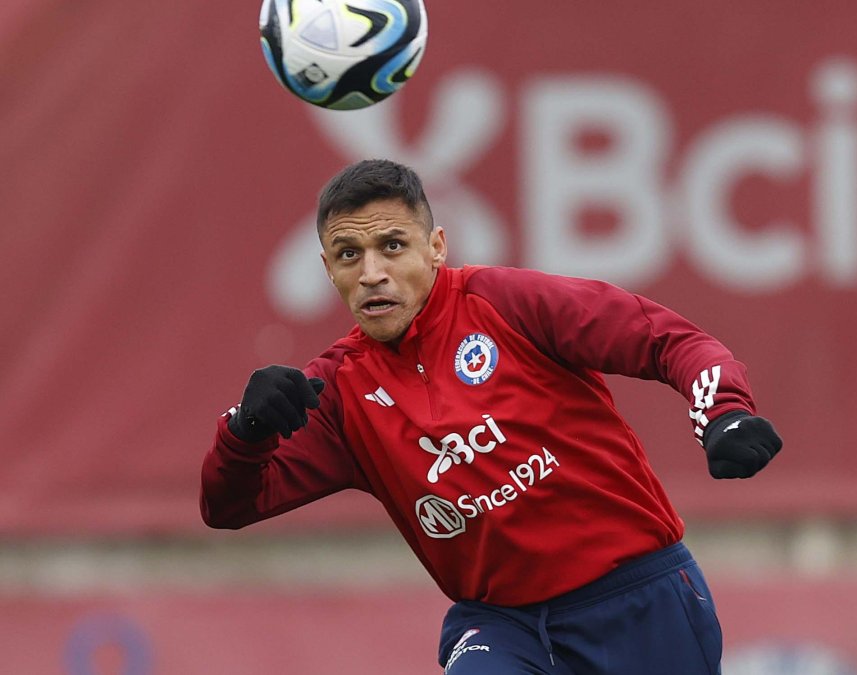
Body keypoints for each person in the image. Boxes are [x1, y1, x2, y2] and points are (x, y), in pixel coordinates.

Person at [200, 159, 783, 674]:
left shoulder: (508, 304)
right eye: (350, 255)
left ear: (436, 247)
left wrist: (724, 412)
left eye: (393, 247)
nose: (372, 272)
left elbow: (667, 339)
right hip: (502, 626)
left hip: (637, 598)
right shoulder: (336, 392)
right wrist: (246, 432)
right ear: (328, 268)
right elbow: (228, 506)